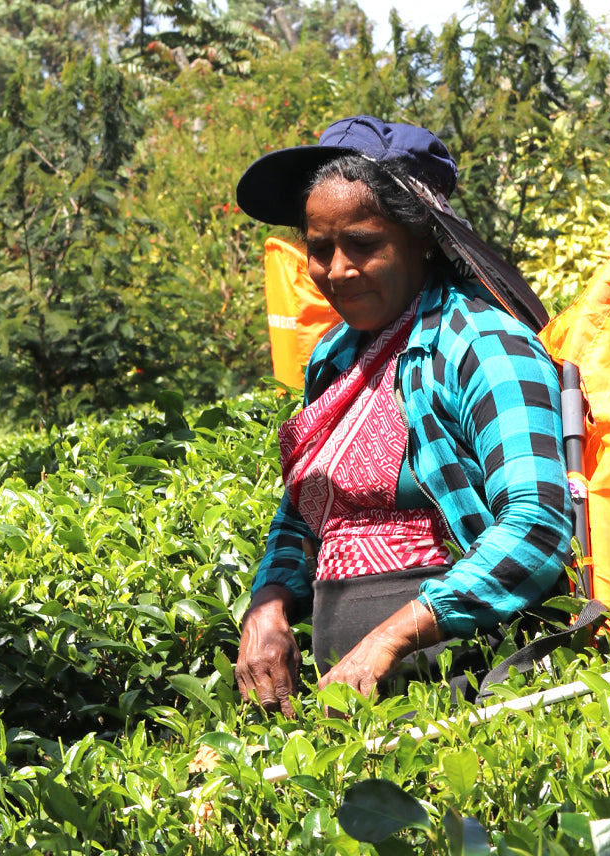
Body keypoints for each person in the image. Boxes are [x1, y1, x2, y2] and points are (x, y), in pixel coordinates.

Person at [234, 116, 574, 717]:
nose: (337, 270)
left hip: (466, 687)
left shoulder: (481, 345)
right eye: (319, 249)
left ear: (421, 235)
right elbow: (306, 511)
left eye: (363, 244)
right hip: (345, 696)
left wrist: (389, 638)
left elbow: (537, 527)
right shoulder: (333, 359)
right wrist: (267, 605)